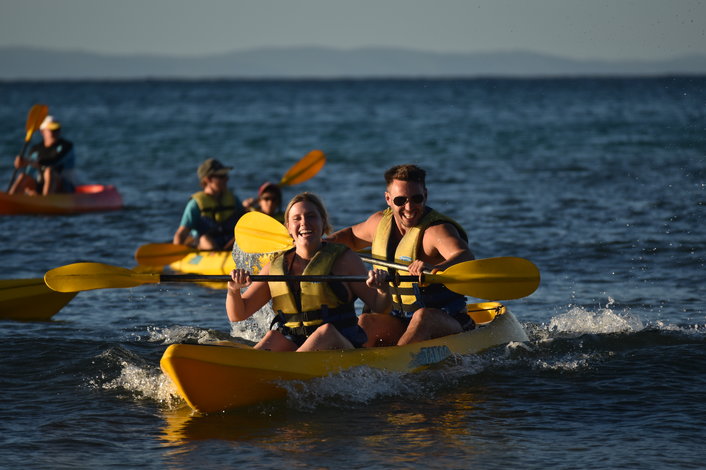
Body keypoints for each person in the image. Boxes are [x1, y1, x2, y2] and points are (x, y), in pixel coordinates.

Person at [326, 164, 476, 346]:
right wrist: (318, 245)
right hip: (399, 318)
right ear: (388, 199)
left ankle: (396, 366)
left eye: (416, 198)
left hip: (446, 320)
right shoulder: (378, 223)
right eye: (400, 200)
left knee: (422, 317)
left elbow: (464, 255)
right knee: (366, 321)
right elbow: (350, 236)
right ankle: (359, 367)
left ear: (426, 196)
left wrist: (436, 269)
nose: (409, 207)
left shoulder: (436, 231)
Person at [226, 192, 391, 352]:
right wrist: (233, 290)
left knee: (325, 333)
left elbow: (379, 306)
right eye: (297, 218)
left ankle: (287, 369)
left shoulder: (344, 259)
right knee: (274, 336)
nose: (304, 223)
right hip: (296, 342)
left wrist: (383, 289)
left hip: (340, 345)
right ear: (288, 228)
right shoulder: (275, 266)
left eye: (311, 216)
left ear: (323, 224)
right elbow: (238, 314)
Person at [173, 158, 246, 250]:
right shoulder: (195, 204)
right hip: (206, 247)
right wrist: (177, 253)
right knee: (204, 239)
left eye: (225, 175)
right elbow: (181, 233)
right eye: (221, 176)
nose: (226, 179)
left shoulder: (233, 199)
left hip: (230, 243)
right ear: (208, 179)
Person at [9, 115, 76, 195]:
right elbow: (30, 171)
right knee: (23, 176)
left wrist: (28, 162)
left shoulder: (66, 146)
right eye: (51, 129)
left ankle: (45, 202)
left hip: (64, 188)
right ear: (42, 131)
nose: (55, 131)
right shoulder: (35, 149)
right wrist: (21, 164)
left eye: (57, 129)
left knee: (49, 171)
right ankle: (11, 198)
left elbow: (53, 161)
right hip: (41, 184)